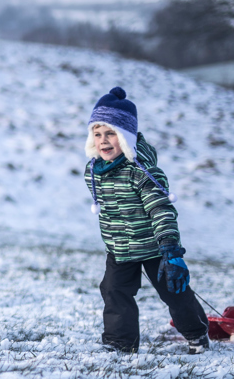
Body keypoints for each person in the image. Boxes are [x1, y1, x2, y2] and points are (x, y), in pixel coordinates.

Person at [84, 87, 209, 355]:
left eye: (111, 133)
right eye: (97, 134)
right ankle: (121, 343)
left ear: (126, 137)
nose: (103, 141)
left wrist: (170, 249)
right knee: (114, 291)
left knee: (174, 292)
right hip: (120, 248)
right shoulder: (94, 171)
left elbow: (161, 209)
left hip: (155, 248)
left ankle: (197, 334)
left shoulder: (142, 173)